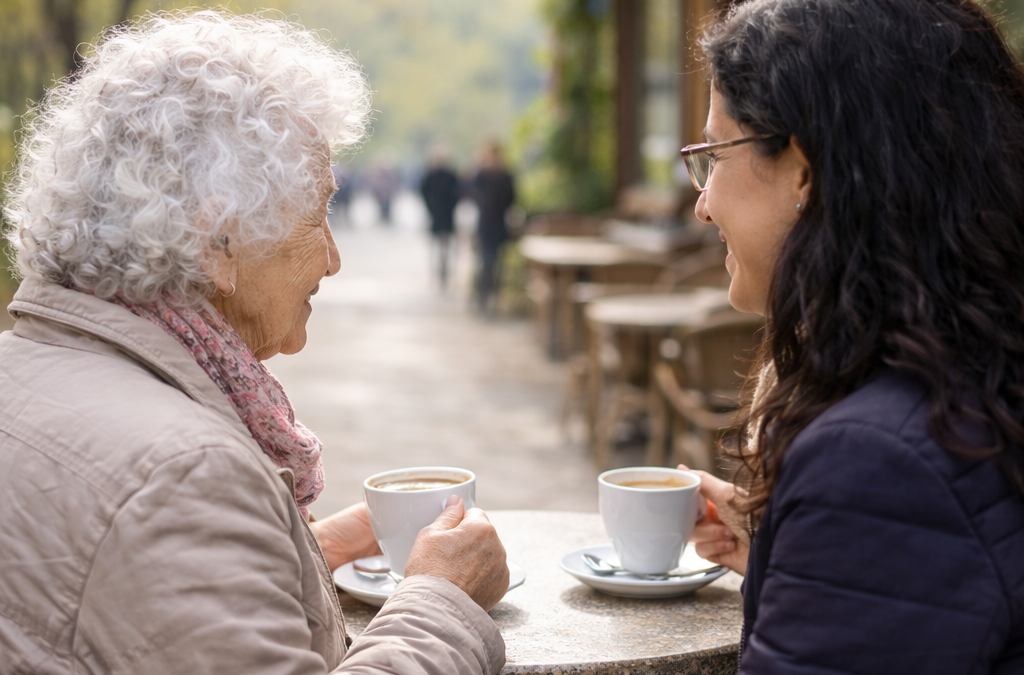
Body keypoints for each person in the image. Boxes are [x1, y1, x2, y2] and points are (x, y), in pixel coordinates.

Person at [0, 11, 507, 675]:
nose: (332, 258)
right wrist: (442, 600)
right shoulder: (185, 476)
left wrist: (290, 558)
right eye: (318, 211)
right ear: (218, 242)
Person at [678, 0, 1024, 672]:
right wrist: (794, 555)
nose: (702, 202)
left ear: (803, 169)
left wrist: (842, 530)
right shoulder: (977, 368)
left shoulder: (874, 460)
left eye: (714, 155)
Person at [470, 140, 515, 315]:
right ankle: (483, 299)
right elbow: (473, 195)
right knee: (485, 264)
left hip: (498, 225)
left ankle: (493, 299)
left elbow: (512, 199)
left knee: (496, 266)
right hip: (485, 225)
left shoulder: (505, 175)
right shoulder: (481, 174)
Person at [420, 146, 460, 289]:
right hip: (441, 214)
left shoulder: (438, 175)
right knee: (441, 246)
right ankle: (438, 273)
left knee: (440, 247)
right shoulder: (441, 175)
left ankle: (440, 273)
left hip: (441, 214)